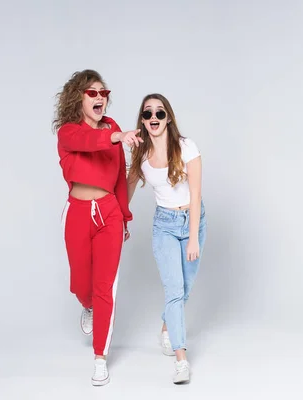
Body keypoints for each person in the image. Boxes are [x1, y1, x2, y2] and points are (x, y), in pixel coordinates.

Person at [53, 69, 142, 386]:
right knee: (81, 283)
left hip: (109, 215)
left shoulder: (113, 128)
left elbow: (119, 177)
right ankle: (85, 304)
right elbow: (87, 142)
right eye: (93, 93)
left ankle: (100, 358)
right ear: (78, 97)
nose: (100, 98)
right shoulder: (69, 132)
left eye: (104, 93)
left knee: (106, 288)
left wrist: (125, 216)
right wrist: (116, 137)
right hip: (77, 212)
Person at [127, 93, 206, 384]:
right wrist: (121, 217)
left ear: (168, 117)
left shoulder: (186, 147)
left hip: (193, 221)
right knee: (173, 289)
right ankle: (181, 359)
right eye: (147, 114)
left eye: (159, 113)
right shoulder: (142, 155)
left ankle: (166, 325)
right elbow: (128, 188)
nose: (153, 119)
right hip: (165, 225)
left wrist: (194, 238)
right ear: (143, 121)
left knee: (184, 287)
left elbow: (195, 195)